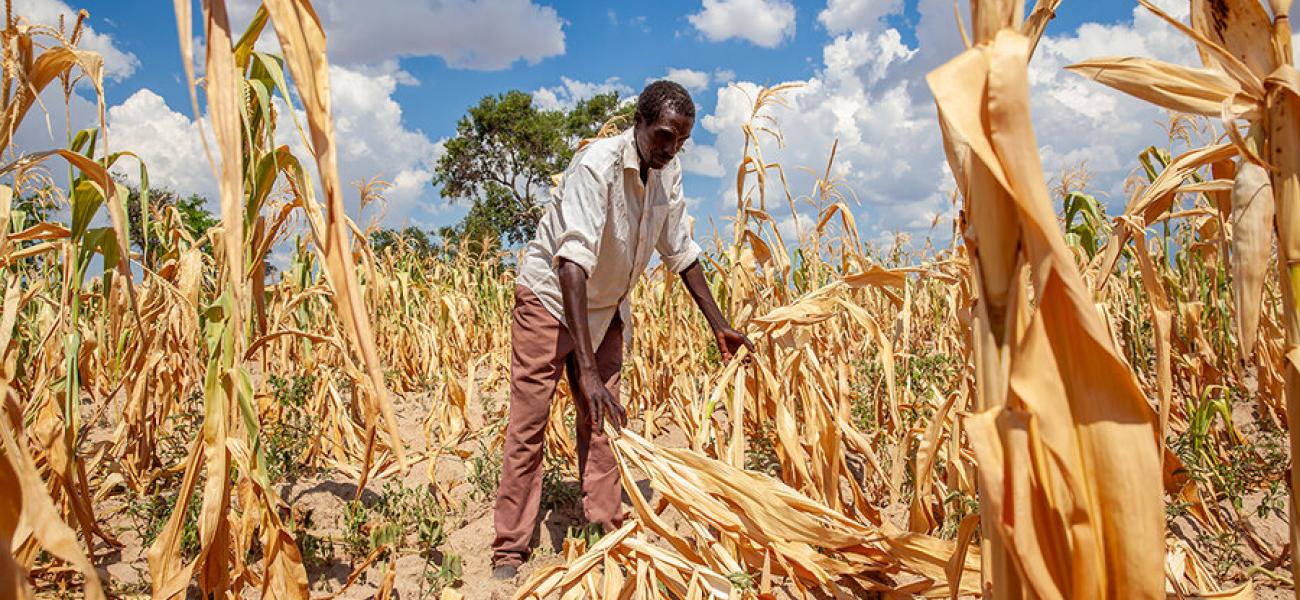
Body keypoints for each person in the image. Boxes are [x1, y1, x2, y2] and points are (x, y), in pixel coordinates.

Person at [491, 80, 753, 579]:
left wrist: (719, 325)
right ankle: (509, 549)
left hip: (606, 306)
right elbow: (571, 263)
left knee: (604, 419)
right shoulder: (597, 167)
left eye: (680, 140)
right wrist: (584, 370)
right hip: (551, 300)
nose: (671, 148)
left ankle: (606, 526)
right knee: (529, 425)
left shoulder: (666, 171)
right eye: (663, 136)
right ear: (638, 123)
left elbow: (682, 250)